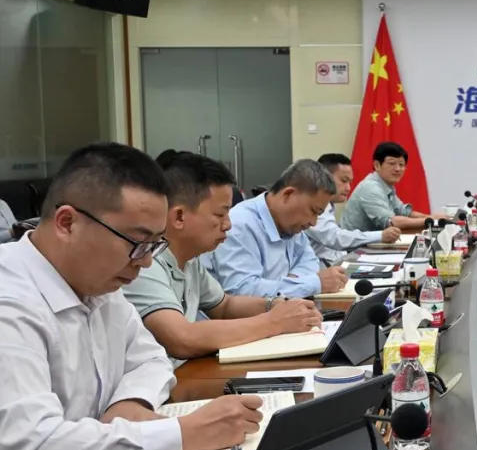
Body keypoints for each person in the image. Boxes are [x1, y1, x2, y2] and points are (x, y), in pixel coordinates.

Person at [0, 142, 263, 450]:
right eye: (137, 242)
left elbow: (151, 358)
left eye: (155, 245)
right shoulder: (11, 301)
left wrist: (130, 401)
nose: (146, 262)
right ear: (67, 223)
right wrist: (181, 434)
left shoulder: (98, 282)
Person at [123, 151, 324, 361]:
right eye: (220, 215)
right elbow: (182, 338)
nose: (228, 224)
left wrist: (276, 305)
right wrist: (275, 321)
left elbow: (224, 306)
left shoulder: (190, 260)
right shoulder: (145, 263)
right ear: (179, 217)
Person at [204, 159, 347, 298]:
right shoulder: (239, 224)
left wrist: (291, 285)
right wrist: (311, 284)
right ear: (287, 194)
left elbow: (309, 261)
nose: (313, 222)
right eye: (313, 211)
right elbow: (243, 292)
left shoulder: (292, 224)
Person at [307, 153, 400, 265]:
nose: (348, 188)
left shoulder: (329, 205)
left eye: (350, 182)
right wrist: (380, 236)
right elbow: (335, 238)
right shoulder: (313, 204)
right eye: (343, 181)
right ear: (324, 178)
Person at [341, 142, 447, 232]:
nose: (397, 169)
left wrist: (433, 218)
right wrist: (430, 220)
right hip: (354, 248)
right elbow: (391, 222)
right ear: (377, 165)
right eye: (392, 164)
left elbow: (405, 213)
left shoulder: (386, 185)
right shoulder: (370, 188)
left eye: (401, 165)